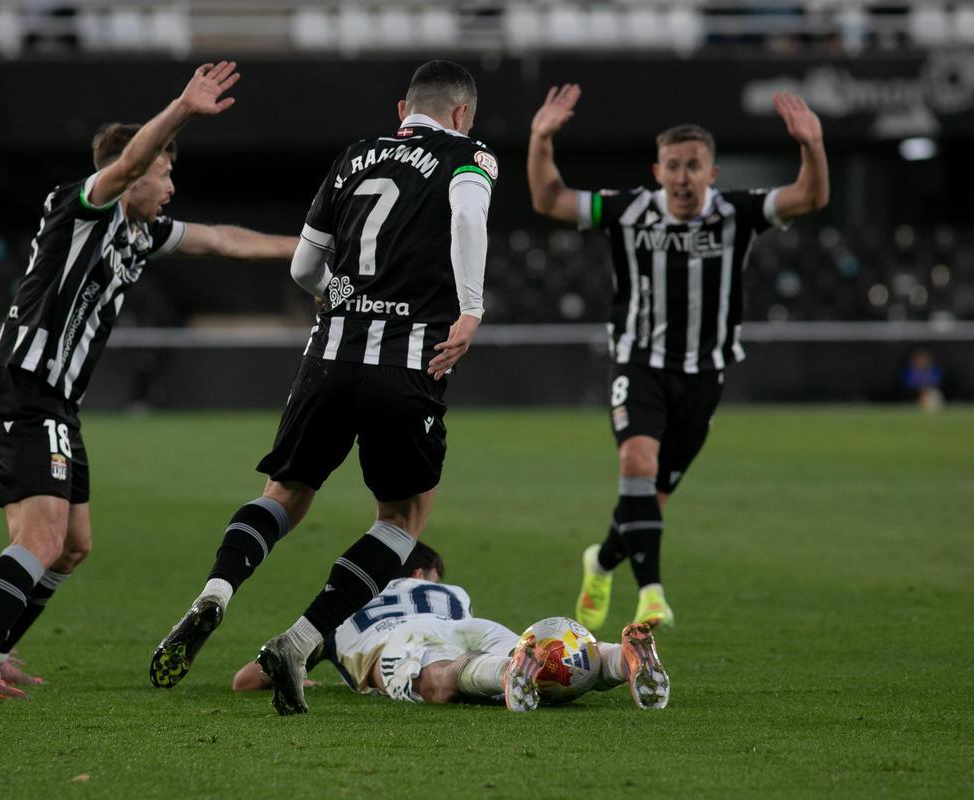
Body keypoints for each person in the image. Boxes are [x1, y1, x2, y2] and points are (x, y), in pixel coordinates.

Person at [0, 61, 300, 700]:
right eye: (165, 172)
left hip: (55, 402)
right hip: (28, 389)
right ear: (130, 171)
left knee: (73, 545)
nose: (169, 186)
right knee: (44, 537)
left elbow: (221, 240)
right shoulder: (84, 207)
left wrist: (308, 249)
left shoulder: (140, 232)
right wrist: (183, 108)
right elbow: (131, 163)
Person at [149, 60, 497, 715]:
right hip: (406, 363)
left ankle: (218, 591)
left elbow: (306, 266)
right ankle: (301, 639)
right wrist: (471, 308)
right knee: (401, 519)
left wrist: (338, 298)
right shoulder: (469, 154)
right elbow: (470, 218)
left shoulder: (353, 157)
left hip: (328, 356)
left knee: (284, 494)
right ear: (462, 114)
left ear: (403, 109)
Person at [527, 86, 829, 631]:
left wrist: (812, 146)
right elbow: (550, 199)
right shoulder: (627, 212)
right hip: (639, 363)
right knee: (636, 467)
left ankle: (599, 562)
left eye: (694, 166)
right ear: (658, 171)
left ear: (712, 173)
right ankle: (651, 596)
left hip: (704, 374)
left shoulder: (737, 213)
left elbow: (809, 197)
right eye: (674, 166)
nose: (684, 176)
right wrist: (540, 138)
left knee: (650, 500)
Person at [230, 542, 670, 711]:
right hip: (467, 624)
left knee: (436, 680)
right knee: (544, 658)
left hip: (395, 639)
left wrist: (297, 671)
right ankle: (616, 658)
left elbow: (247, 679)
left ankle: (507, 673)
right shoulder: (451, 593)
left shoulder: (340, 608)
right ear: (423, 574)